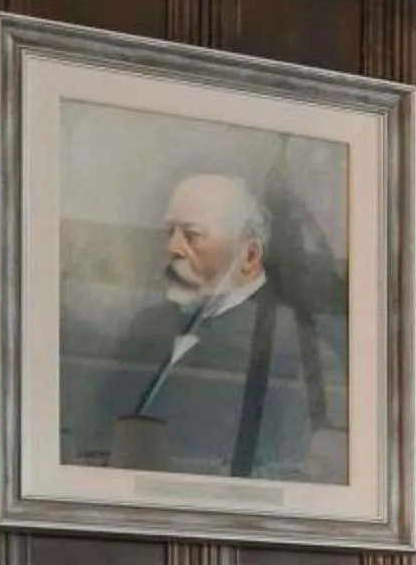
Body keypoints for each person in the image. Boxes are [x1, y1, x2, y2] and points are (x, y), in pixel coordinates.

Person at [85, 171, 342, 480]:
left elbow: (306, 468)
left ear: (249, 255)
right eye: (170, 232)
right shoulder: (147, 327)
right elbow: (98, 430)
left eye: (192, 235)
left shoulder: (295, 346)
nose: (175, 248)